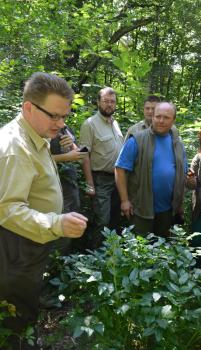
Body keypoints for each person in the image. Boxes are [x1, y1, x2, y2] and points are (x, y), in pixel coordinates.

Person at [0, 72, 88, 350]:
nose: (61, 123)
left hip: (29, 244)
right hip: (17, 245)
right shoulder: (15, 147)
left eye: (65, 115)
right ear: (28, 108)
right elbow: (8, 210)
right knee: (16, 306)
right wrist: (56, 223)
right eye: (55, 115)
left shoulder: (35, 136)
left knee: (24, 302)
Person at [115, 102, 187, 238]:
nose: (161, 121)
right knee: (138, 250)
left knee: (162, 249)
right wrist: (124, 200)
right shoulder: (137, 140)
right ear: (152, 117)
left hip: (167, 210)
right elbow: (120, 169)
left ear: (174, 120)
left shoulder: (178, 144)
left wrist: (180, 203)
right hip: (141, 208)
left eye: (166, 117)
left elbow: (181, 175)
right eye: (158, 116)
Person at [80, 87, 123, 248]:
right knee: (102, 221)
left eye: (112, 102)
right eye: (106, 101)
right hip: (100, 179)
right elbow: (84, 155)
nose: (109, 105)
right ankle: (94, 256)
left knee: (114, 219)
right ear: (98, 102)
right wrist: (89, 184)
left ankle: (111, 255)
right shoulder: (90, 124)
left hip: (118, 179)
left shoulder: (115, 123)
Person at [50, 125, 86, 254]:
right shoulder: (43, 129)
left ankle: (65, 264)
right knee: (58, 231)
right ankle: (53, 267)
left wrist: (72, 146)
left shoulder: (66, 129)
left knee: (71, 227)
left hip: (71, 186)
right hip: (54, 187)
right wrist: (66, 157)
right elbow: (36, 159)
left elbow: (80, 155)